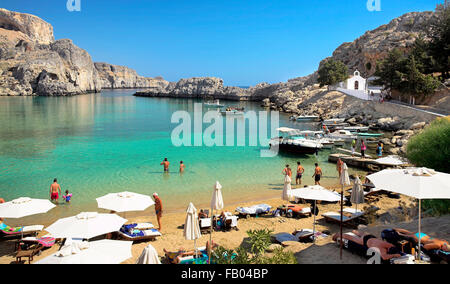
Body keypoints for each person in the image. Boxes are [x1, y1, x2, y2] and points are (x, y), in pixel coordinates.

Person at [333, 231, 402, 261]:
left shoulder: (390, 245)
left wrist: (396, 254)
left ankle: (355, 232)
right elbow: (384, 257)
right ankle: (337, 235)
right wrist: (394, 255)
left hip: (370, 236)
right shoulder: (383, 249)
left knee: (361, 234)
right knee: (352, 238)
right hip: (365, 241)